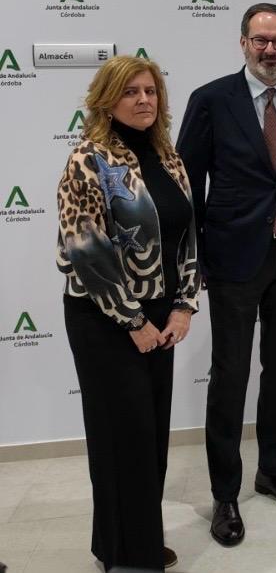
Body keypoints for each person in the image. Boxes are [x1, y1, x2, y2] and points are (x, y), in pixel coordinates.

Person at [176, 3, 276, 546]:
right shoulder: (210, 99)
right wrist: (194, 256)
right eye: (260, 39)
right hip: (232, 257)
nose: (270, 49)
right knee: (231, 376)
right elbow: (188, 182)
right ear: (242, 42)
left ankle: (273, 471)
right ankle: (225, 494)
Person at [58, 55, 200, 571]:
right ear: (106, 101)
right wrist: (133, 321)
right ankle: (120, 550)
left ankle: (138, 542)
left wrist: (183, 305)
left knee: (150, 435)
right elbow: (86, 251)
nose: (143, 100)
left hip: (161, 315)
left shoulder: (168, 156)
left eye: (150, 91)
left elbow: (187, 237)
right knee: (119, 436)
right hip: (105, 318)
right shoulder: (88, 159)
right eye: (130, 92)